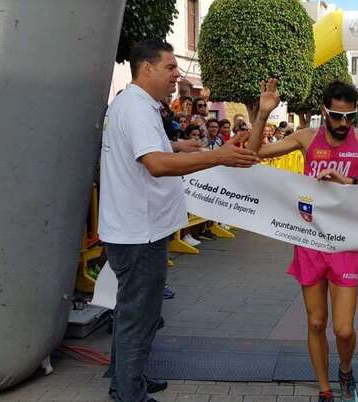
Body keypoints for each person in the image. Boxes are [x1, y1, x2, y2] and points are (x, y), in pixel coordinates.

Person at [98, 39, 258, 402]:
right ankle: (129, 392)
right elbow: (154, 164)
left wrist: (178, 146)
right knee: (139, 316)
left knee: (132, 312)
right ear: (147, 68)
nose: (177, 75)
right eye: (170, 68)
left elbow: (149, 150)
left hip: (136, 229)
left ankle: (126, 379)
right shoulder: (137, 108)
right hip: (138, 231)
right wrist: (218, 157)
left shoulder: (137, 106)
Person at [248, 79, 358, 402]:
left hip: (345, 241)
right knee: (316, 322)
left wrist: (347, 182)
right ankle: (325, 391)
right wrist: (263, 116)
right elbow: (254, 154)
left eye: (350, 117)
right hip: (309, 238)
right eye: (337, 117)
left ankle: (346, 369)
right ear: (324, 112)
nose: (344, 124)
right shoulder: (306, 137)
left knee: (343, 329)